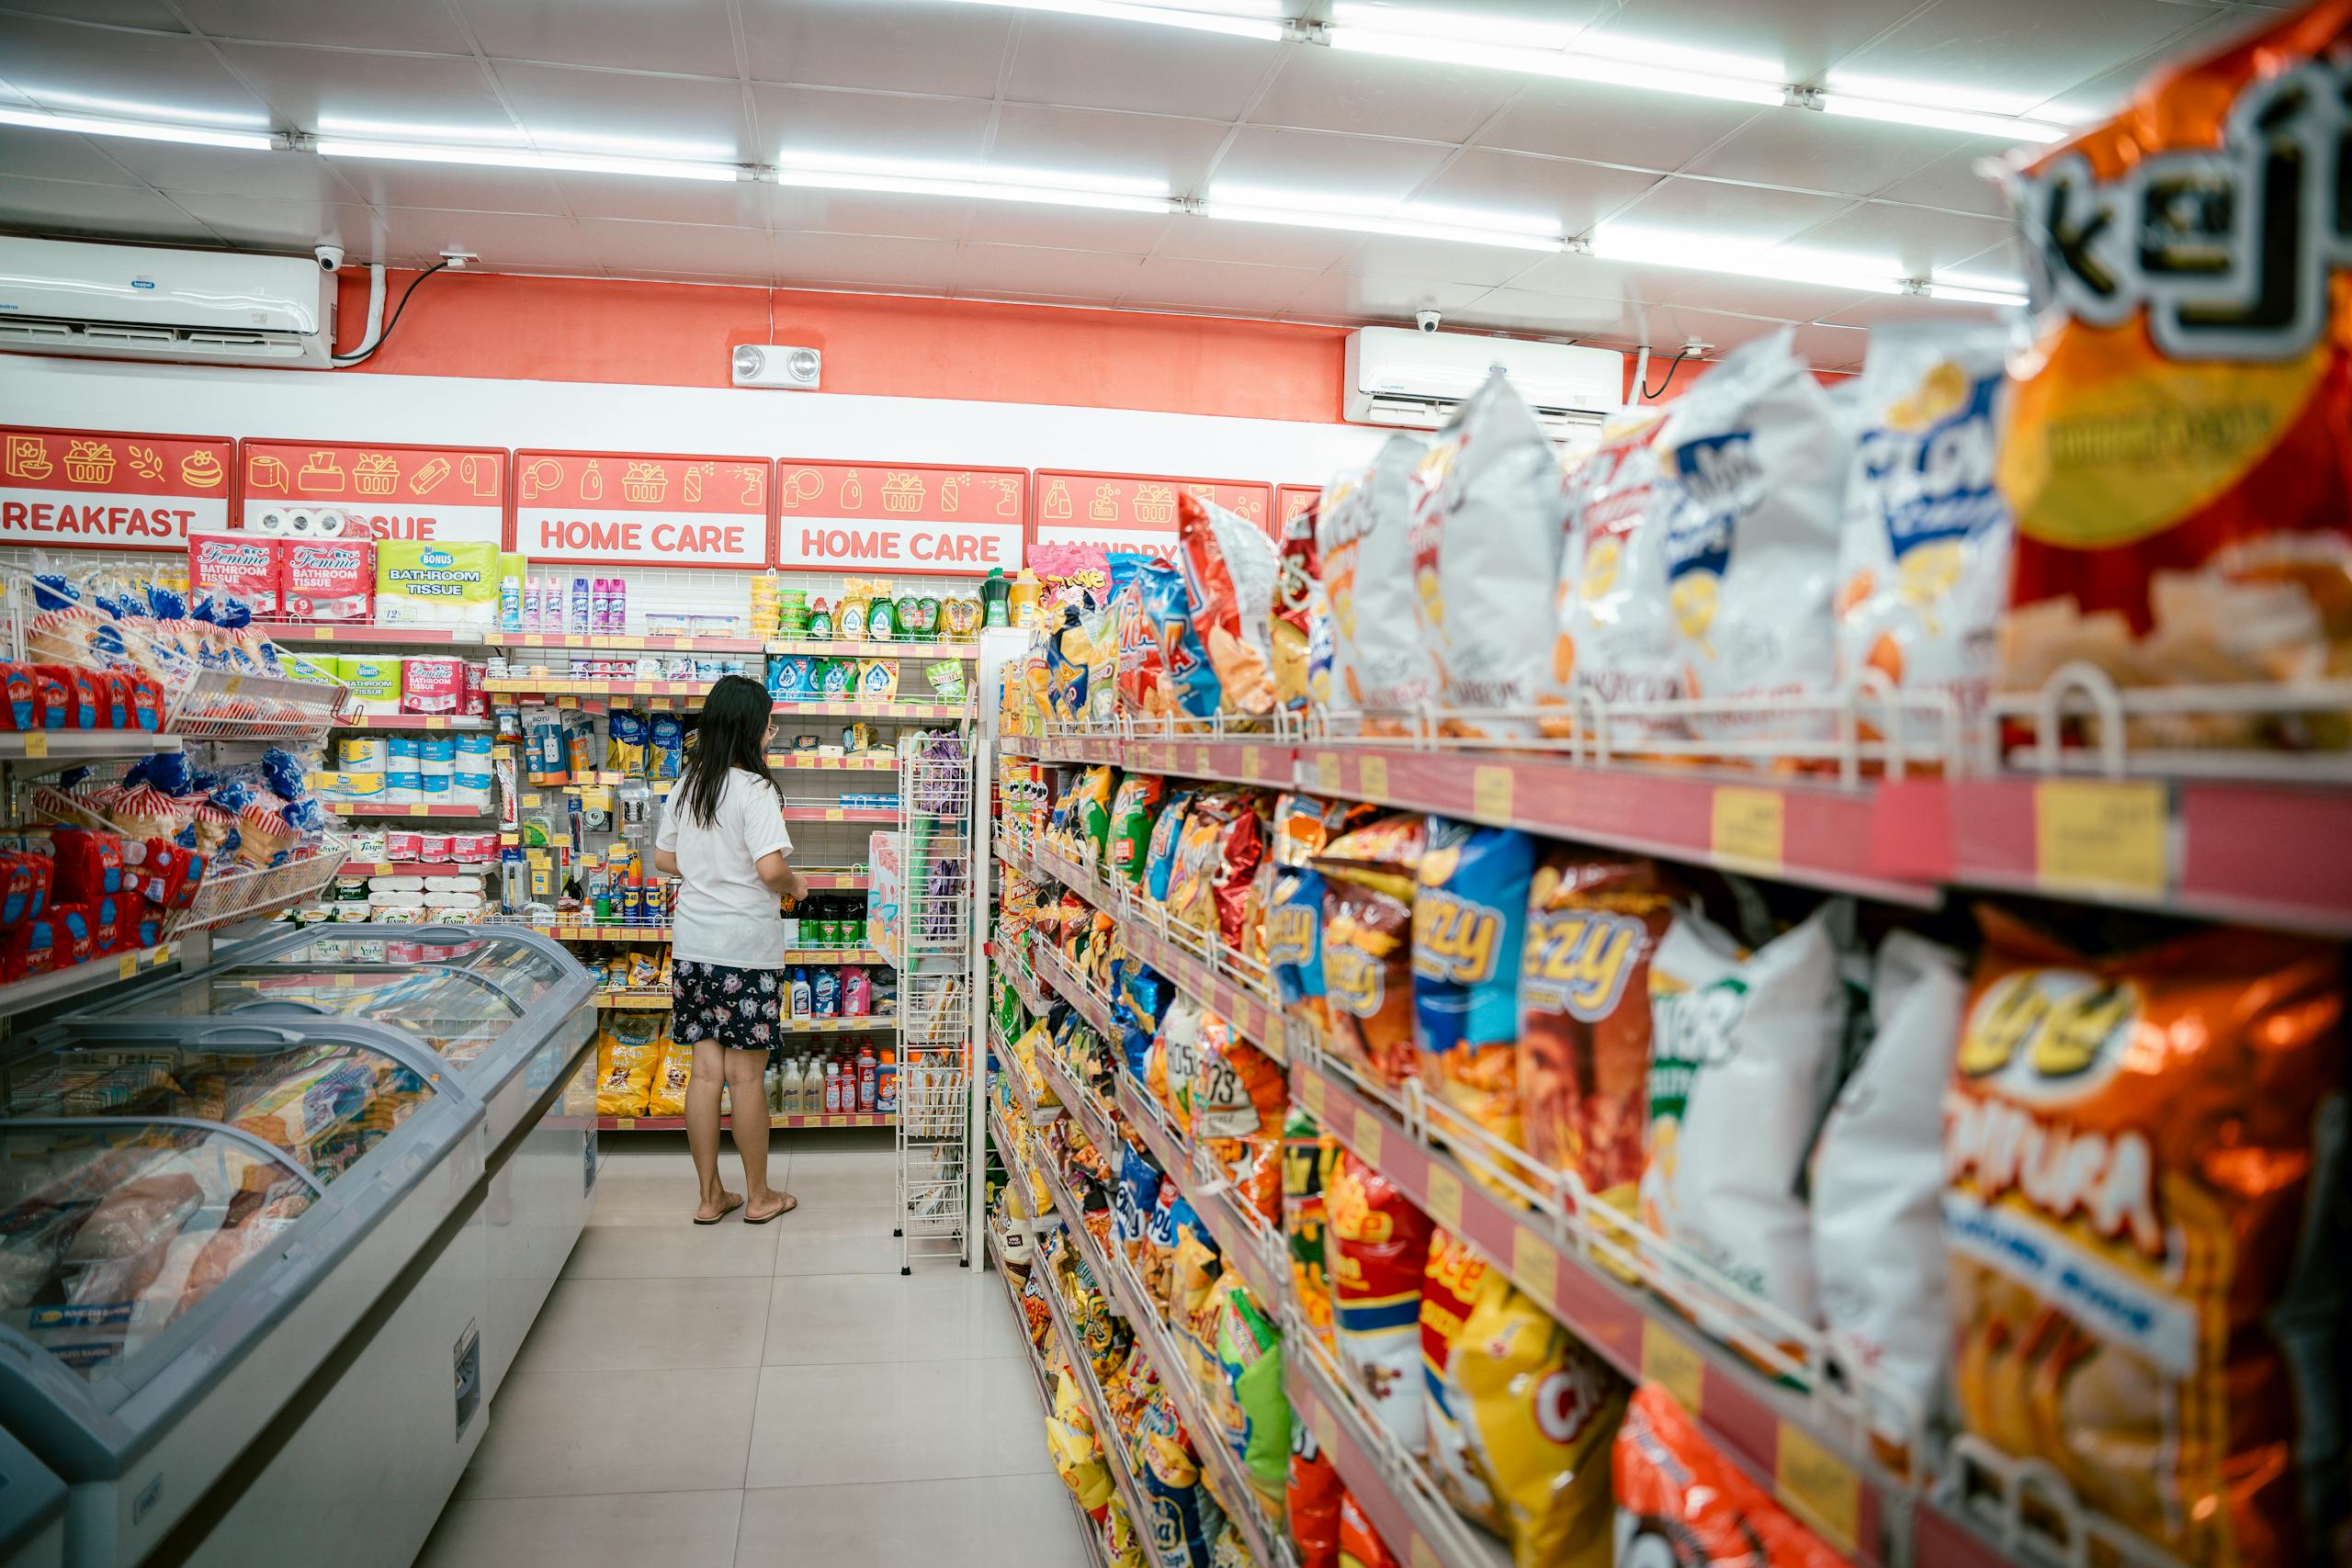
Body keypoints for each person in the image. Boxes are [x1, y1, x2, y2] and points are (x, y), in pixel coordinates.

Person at [652, 673, 807, 1224]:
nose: (774, 730)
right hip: (744, 949)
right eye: (769, 721)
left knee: (704, 1076)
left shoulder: (688, 784)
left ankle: (710, 1195)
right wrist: (796, 885)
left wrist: (707, 867)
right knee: (745, 1079)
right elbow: (770, 868)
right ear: (748, 726)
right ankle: (760, 1196)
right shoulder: (755, 790)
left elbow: (665, 860)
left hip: (694, 946)